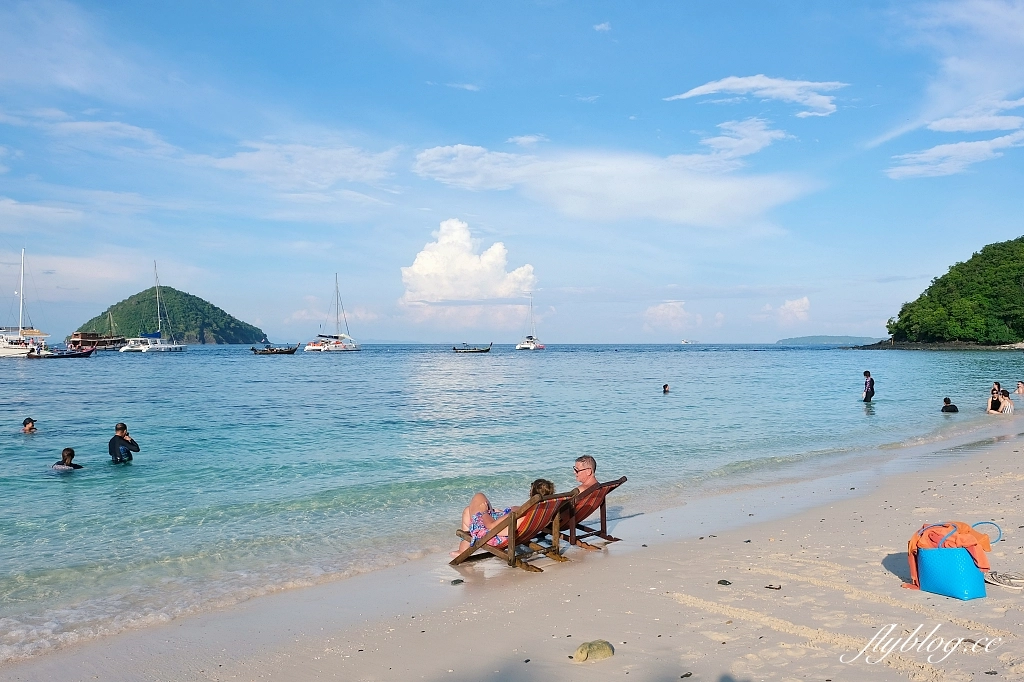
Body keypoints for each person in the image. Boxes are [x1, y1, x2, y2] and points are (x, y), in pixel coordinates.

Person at [452, 478, 556, 556]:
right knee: (467, 510)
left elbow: (490, 526)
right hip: (511, 531)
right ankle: (464, 547)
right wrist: (501, 513)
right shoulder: (541, 510)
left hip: (492, 535)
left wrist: (484, 513)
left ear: (531, 492)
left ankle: (463, 549)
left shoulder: (520, 512)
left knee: (479, 496)